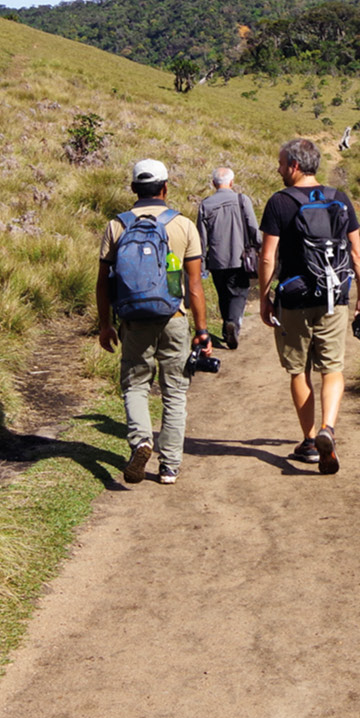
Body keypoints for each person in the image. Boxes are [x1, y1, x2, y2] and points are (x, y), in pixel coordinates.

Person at [257, 138, 360, 475]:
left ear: (294, 166)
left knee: (298, 370)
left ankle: (309, 441)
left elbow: (267, 256)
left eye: (281, 164)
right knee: (332, 367)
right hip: (333, 296)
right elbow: (356, 254)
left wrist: (265, 297)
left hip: (293, 298)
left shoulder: (279, 202)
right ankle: (329, 429)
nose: (279, 169)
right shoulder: (339, 199)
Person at [97, 158, 211, 486]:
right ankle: (170, 465)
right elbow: (194, 285)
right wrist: (202, 330)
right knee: (175, 390)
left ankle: (141, 442)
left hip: (133, 320)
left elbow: (103, 281)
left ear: (133, 189)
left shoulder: (116, 226)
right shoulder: (183, 225)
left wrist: (105, 324)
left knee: (135, 384)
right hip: (174, 316)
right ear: (165, 187)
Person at [197, 166, 262, 350]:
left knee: (223, 294)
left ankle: (227, 328)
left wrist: (201, 262)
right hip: (240, 258)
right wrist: (260, 246)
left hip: (216, 260)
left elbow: (201, 238)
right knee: (239, 293)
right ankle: (232, 323)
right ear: (231, 183)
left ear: (213, 183)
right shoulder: (242, 200)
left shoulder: (205, 204)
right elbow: (252, 227)